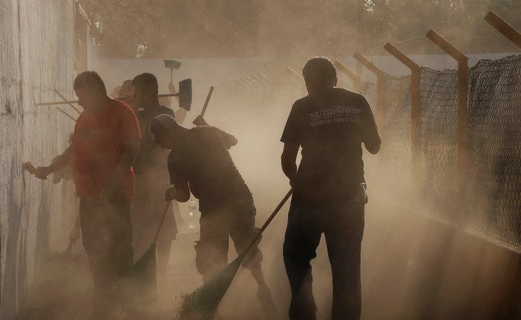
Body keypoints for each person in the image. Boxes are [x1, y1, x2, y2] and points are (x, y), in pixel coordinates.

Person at [32, 71, 141, 318]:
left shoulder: (123, 113)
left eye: (81, 96)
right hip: (89, 196)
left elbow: (132, 151)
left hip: (117, 195)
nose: (79, 102)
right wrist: (50, 167)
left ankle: (128, 303)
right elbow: (74, 149)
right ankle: (103, 296)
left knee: (120, 249)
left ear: (94, 92)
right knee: (93, 246)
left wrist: (114, 181)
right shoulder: (84, 119)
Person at [280, 57, 381, 320]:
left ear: (308, 82)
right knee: (347, 271)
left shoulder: (301, 106)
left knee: (295, 258)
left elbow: (287, 160)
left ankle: (305, 311)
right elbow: (374, 146)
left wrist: (296, 180)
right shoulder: (357, 102)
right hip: (348, 199)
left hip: (307, 202)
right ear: (335, 79)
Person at [149, 114, 277, 316]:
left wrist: (172, 192)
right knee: (247, 245)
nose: (161, 146)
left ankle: (211, 310)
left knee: (211, 260)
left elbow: (183, 195)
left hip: (213, 208)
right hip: (239, 198)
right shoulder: (207, 132)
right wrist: (208, 126)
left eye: (160, 140)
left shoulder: (175, 157)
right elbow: (232, 141)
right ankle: (262, 286)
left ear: (168, 132)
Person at [129, 73, 178, 289]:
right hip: (139, 180)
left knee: (164, 230)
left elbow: (165, 145)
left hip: (160, 179)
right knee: (140, 230)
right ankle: (144, 274)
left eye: (136, 92)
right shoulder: (135, 114)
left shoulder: (165, 113)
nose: (133, 96)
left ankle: (163, 272)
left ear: (148, 92)